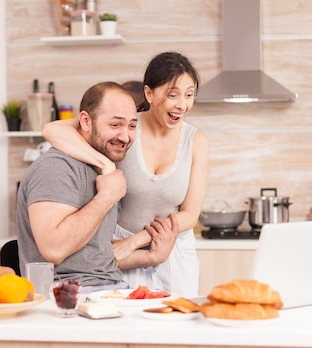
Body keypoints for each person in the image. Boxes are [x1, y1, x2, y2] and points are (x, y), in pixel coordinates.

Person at [42, 51, 209, 296]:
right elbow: (52, 130)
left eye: (189, 94)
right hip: (119, 252)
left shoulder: (197, 141)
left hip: (171, 251)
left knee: (176, 325)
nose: (182, 104)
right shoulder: (125, 128)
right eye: (172, 95)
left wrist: (135, 241)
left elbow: (189, 215)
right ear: (149, 93)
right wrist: (105, 164)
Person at [17, 81, 179, 293]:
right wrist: (106, 198)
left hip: (106, 289)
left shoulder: (101, 168)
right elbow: (53, 249)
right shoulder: (57, 167)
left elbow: (94, 257)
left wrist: (152, 256)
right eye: (115, 125)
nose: (125, 136)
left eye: (131, 126)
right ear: (85, 121)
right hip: (67, 295)